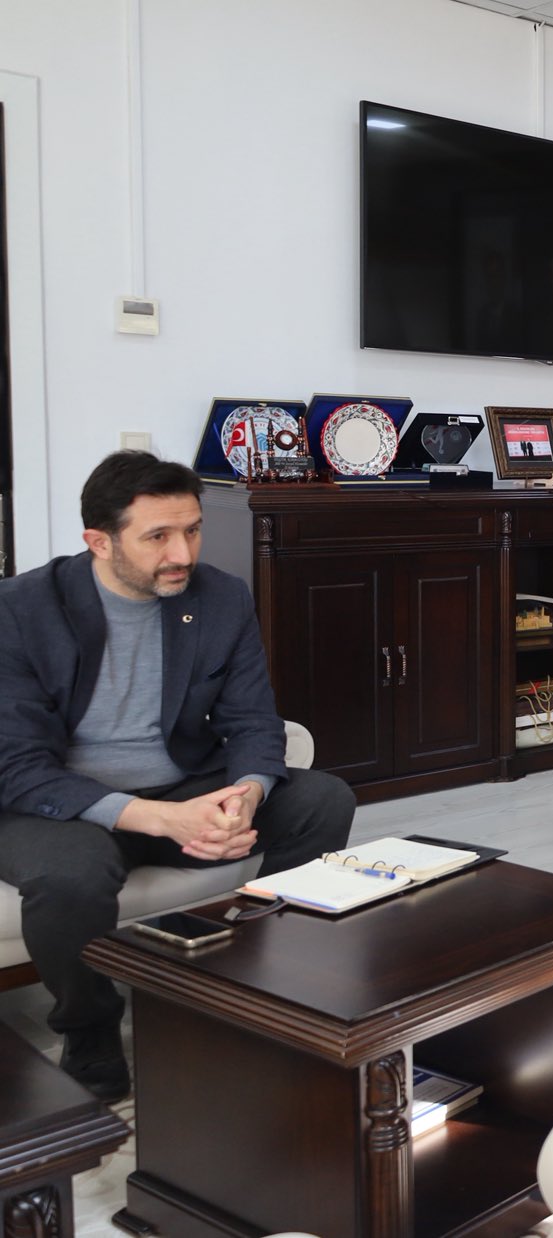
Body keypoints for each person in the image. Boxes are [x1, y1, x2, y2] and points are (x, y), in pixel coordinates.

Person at [0, 452, 355, 1100]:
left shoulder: (221, 597)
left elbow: (254, 720)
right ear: (99, 541)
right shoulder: (22, 609)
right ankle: (91, 1038)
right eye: (158, 536)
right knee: (71, 875)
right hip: (61, 806)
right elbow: (17, 765)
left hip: (182, 785)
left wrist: (246, 796)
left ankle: (254, 983)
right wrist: (162, 820)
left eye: (191, 530)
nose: (182, 553)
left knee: (323, 800)